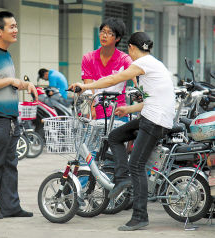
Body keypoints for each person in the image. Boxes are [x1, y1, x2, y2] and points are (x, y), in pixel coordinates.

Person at [69, 32, 175, 231]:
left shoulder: (144, 64)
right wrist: (128, 109)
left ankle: (140, 216)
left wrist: (85, 86)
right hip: (151, 116)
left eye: (130, 51)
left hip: (155, 121)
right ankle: (122, 177)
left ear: (132, 49)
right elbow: (152, 99)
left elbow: (113, 79)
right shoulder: (153, 64)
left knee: (136, 164)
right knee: (115, 137)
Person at [0, 11, 38, 219]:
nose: (15, 30)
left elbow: (5, 84)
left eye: (16, 25)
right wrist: (11, 81)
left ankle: (11, 206)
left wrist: (25, 84)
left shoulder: (7, 55)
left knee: (10, 163)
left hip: (10, 118)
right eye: (11, 27)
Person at [81, 17, 135, 120]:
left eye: (110, 33)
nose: (104, 36)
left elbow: (136, 79)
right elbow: (88, 87)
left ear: (117, 38)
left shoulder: (124, 59)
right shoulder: (88, 58)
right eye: (102, 31)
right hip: (96, 114)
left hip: (119, 113)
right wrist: (92, 110)